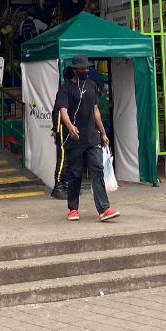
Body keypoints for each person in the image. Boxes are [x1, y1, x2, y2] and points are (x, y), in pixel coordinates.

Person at [56, 54, 119, 222]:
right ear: (75, 70)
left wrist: (103, 133)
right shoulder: (65, 89)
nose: (86, 71)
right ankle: (73, 209)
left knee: (97, 169)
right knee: (75, 174)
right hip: (74, 139)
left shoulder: (91, 85)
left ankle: (104, 209)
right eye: (82, 69)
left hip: (92, 137)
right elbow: (63, 111)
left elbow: (95, 111)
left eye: (87, 68)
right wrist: (70, 127)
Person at [50, 66, 77, 200]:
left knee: (70, 158)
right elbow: (59, 112)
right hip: (63, 130)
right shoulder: (65, 89)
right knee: (63, 158)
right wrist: (57, 129)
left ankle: (66, 185)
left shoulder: (74, 88)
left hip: (71, 129)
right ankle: (58, 186)